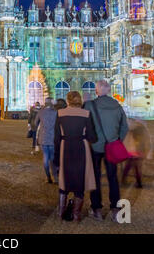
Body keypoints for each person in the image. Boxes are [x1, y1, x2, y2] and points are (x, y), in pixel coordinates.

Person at [84, 80, 129, 222]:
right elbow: (125, 127)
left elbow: (85, 125)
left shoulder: (90, 105)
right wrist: (117, 140)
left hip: (95, 146)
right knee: (112, 177)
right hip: (112, 146)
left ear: (97, 91)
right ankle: (115, 209)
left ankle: (96, 209)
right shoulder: (117, 105)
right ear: (108, 91)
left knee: (95, 177)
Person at [54, 91, 97, 222]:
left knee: (64, 179)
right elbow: (92, 137)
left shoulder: (60, 114)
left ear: (68, 101)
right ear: (80, 101)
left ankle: (61, 212)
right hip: (81, 147)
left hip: (65, 146)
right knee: (80, 179)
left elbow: (56, 137)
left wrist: (56, 157)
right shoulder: (86, 114)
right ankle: (76, 214)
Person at [35, 98, 58, 184]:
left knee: (45, 158)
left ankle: (48, 176)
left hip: (43, 138)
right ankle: (55, 177)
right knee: (52, 158)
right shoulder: (56, 112)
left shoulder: (41, 112)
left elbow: (35, 122)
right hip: (52, 138)